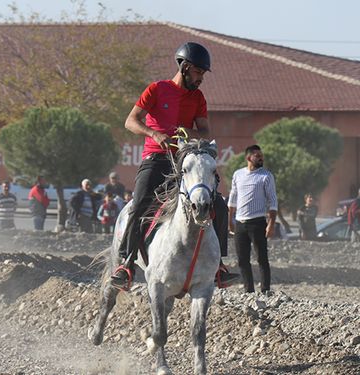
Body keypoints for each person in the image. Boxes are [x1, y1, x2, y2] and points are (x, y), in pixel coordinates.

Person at [111, 41, 238, 289]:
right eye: (199, 72)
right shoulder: (157, 89)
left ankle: (219, 267)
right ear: (186, 67)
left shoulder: (198, 98)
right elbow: (130, 121)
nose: (201, 78)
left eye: (202, 73)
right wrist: (155, 134)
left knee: (219, 205)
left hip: (184, 162)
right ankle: (126, 264)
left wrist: (185, 134)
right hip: (156, 159)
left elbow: (204, 132)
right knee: (139, 206)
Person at [228, 144, 278, 295]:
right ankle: (248, 290)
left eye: (261, 155)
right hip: (240, 223)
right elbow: (233, 198)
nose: (261, 158)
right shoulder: (238, 174)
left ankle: (265, 290)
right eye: (257, 156)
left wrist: (271, 224)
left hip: (258, 222)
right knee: (242, 260)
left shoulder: (266, 176)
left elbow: (273, 201)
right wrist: (230, 220)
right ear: (248, 158)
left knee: (262, 258)